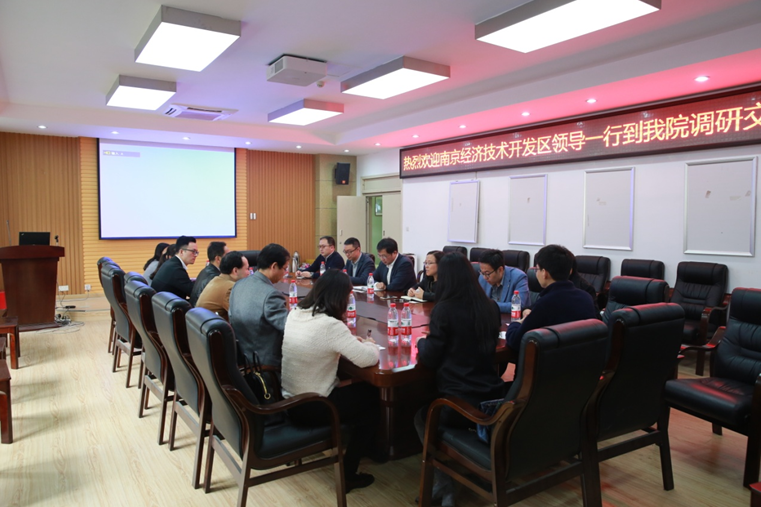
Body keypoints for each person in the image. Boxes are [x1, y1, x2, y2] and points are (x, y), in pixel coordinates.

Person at [414, 252, 505, 507]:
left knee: (421, 417)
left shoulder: (445, 310)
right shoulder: (490, 306)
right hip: (492, 396)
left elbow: (430, 357)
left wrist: (421, 342)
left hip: (459, 403)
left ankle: (444, 484)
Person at [281, 269, 380, 492]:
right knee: (371, 398)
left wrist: (350, 340)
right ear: (340, 297)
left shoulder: (296, 312)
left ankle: (361, 446)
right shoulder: (330, 325)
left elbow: (326, 341)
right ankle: (349, 473)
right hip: (313, 406)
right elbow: (367, 359)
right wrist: (370, 343)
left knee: (358, 392)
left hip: (289, 400)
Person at [505, 244, 598, 352]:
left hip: (551, 361)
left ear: (544, 273)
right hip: (582, 360)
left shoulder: (545, 304)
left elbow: (515, 341)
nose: (536, 273)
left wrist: (516, 323)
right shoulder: (586, 298)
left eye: (537, 269)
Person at [229, 243, 290, 368]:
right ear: (274, 266)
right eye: (284, 268)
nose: (285, 273)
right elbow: (290, 328)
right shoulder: (271, 295)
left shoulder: (238, 285)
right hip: (266, 364)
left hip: (243, 356)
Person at [195, 251, 249, 320]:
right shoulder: (230, 288)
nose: (249, 273)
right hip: (214, 325)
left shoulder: (217, 280)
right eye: (247, 269)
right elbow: (243, 317)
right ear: (235, 271)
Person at [477, 249, 529, 313]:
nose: (485, 277)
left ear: (500, 270)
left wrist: (489, 305)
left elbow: (518, 305)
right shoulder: (482, 277)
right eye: (482, 273)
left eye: (487, 274)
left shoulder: (519, 277)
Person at [189, 241, 229, 306]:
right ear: (218, 259)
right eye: (227, 256)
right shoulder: (215, 278)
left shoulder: (205, 271)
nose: (230, 258)